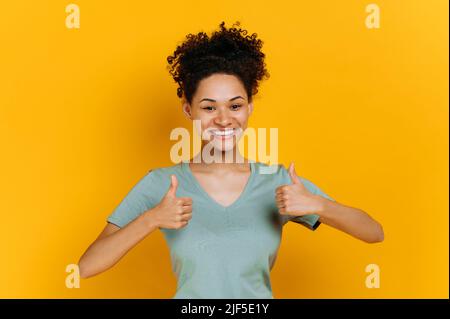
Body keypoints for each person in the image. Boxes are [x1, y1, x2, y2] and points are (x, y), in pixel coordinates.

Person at [78, 21, 384, 299]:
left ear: (249, 107)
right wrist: (152, 218)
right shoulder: (162, 184)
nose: (224, 120)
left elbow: (373, 232)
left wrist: (319, 205)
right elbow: (86, 266)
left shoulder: (277, 182)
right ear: (188, 110)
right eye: (209, 108)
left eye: (235, 106)